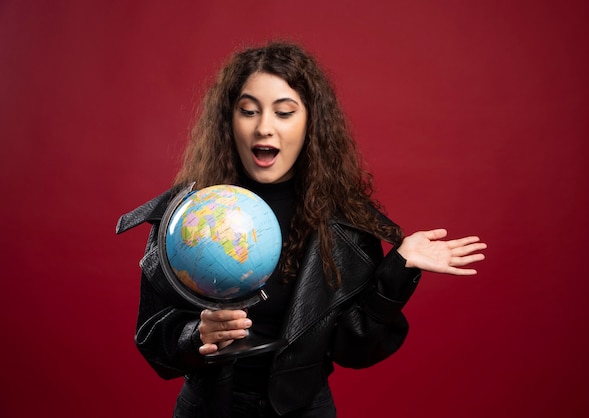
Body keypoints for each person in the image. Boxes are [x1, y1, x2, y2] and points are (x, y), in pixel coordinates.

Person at [116, 41, 486, 418]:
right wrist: (197, 336)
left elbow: (354, 350)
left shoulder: (344, 223)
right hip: (209, 409)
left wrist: (399, 269)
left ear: (310, 122)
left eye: (284, 112)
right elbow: (152, 337)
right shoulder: (189, 214)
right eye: (248, 111)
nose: (264, 127)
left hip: (305, 410)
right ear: (229, 120)